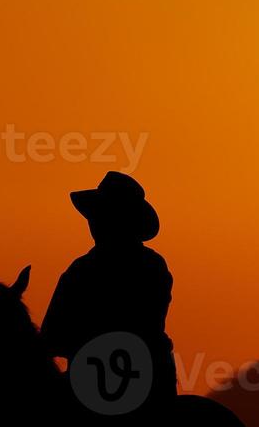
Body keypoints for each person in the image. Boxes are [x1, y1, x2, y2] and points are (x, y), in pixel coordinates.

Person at [42, 171, 178, 404]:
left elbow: (51, 338)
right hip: (153, 379)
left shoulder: (80, 271)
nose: (93, 223)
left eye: (99, 216)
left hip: (90, 383)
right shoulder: (154, 265)